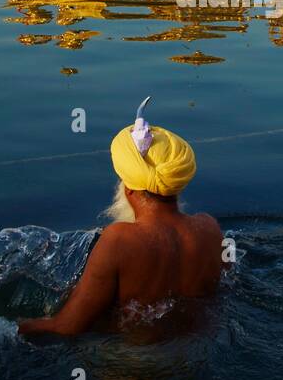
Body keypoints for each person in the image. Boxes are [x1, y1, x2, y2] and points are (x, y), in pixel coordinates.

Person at [11, 106, 222, 338]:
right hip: (191, 360)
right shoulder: (209, 229)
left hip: (130, 362)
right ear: (177, 183)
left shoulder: (118, 240)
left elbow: (66, 327)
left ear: (129, 188)